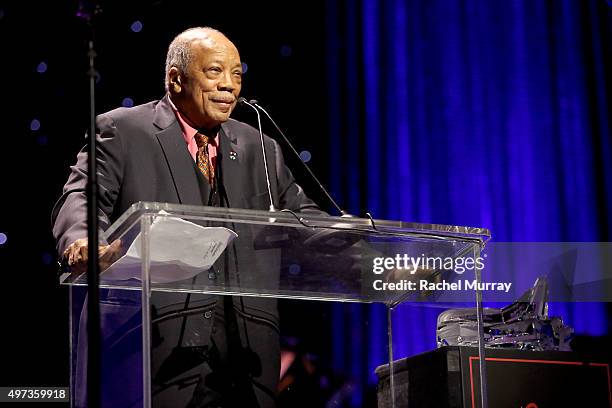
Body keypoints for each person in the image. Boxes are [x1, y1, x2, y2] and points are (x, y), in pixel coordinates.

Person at [52, 27, 320, 407]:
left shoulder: (260, 147)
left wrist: (376, 256)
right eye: (215, 72)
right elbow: (82, 195)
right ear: (176, 80)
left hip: (245, 361)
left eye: (237, 74)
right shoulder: (123, 130)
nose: (230, 86)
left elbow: (307, 222)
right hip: (151, 350)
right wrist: (83, 240)